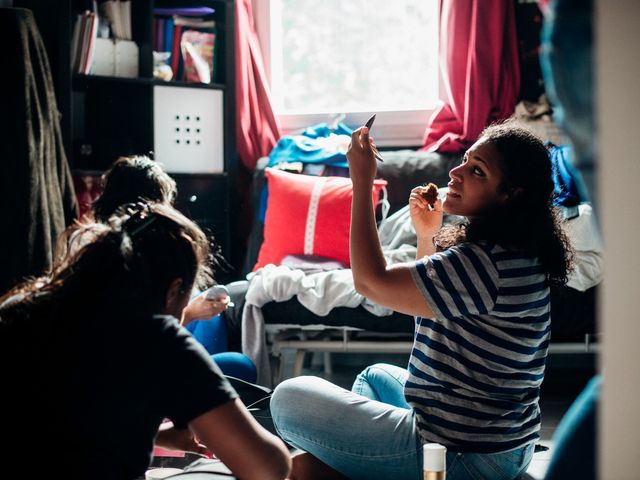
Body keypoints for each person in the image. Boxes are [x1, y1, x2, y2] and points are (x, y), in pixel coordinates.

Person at [270, 122, 574, 480]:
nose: (456, 172)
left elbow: (370, 281)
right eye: (464, 160)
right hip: (505, 446)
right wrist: (428, 235)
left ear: (511, 194)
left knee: (287, 398)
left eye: (477, 170)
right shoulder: (515, 254)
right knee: (374, 377)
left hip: (461, 453)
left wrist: (362, 180)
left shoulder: (482, 263)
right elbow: (427, 307)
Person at [0, 202, 290, 480]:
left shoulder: (19, 309)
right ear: (173, 289)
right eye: (184, 301)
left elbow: (61, 428)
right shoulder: (158, 337)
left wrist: (160, 436)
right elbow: (267, 469)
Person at [71, 155, 256, 382]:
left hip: (114, 364)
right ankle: (204, 398)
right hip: (130, 376)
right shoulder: (135, 255)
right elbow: (136, 346)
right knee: (240, 365)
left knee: (211, 316)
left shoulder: (89, 244)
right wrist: (190, 313)